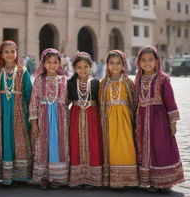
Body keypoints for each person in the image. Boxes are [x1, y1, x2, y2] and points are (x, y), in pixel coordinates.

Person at [135, 46, 184, 193]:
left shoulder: (163, 79)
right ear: (138, 62)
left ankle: (165, 181)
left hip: (159, 120)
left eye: (150, 60)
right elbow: (135, 100)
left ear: (157, 61)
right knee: (145, 149)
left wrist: (172, 122)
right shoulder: (138, 78)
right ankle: (149, 181)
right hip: (142, 119)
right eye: (143, 60)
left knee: (161, 147)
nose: (147, 63)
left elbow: (170, 100)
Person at [0, 40, 32, 185]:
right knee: (4, 138)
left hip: (19, 112)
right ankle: (5, 175)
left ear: (16, 53)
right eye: (6, 51)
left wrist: (32, 116)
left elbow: (29, 94)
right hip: (2, 112)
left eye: (12, 51)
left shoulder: (23, 71)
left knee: (19, 138)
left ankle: (20, 175)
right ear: (1, 54)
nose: (9, 54)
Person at [29, 48, 69, 189]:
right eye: (49, 62)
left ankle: (57, 177)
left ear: (60, 63)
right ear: (43, 64)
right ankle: (43, 177)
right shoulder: (39, 80)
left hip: (60, 119)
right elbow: (33, 102)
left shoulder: (64, 80)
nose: (52, 65)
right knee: (43, 145)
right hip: (43, 118)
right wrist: (34, 123)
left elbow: (67, 100)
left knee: (57, 146)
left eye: (55, 62)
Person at [99, 50, 138, 188]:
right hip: (109, 121)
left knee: (127, 146)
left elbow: (134, 101)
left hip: (125, 120)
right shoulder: (103, 83)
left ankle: (129, 178)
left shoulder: (128, 82)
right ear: (107, 65)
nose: (115, 66)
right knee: (112, 148)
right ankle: (115, 180)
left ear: (123, 65)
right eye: (112, 63)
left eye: (118, 63)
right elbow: (100, 104)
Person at [67, 52, 103, 187]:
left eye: (86, 66)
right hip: (76, 116)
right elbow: (67, 101)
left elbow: (100, 102)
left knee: (93, 143)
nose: (83, 70)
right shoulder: (71, 83)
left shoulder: (95, 82)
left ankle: (92, 179)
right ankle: (78, 178)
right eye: (79, 67)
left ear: (91, 66)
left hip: (92, 116)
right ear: (75, 68)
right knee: (75, 142)